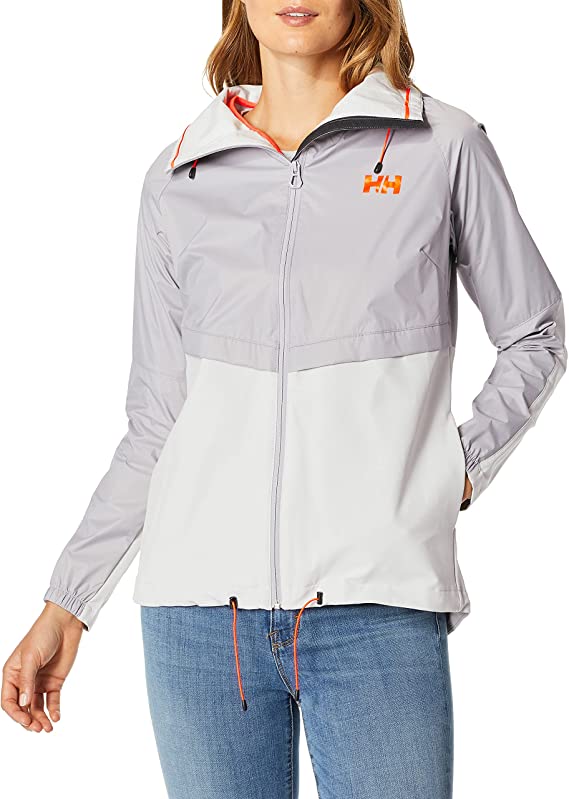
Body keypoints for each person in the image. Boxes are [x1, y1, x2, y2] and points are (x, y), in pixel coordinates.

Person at [2, 1, 566, 796]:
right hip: (198, 619)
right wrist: (67, 602)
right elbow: (157, 422)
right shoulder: (180, 175)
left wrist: (456, 467)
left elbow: (535, 332)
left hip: (375, 601)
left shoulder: (441, 145)